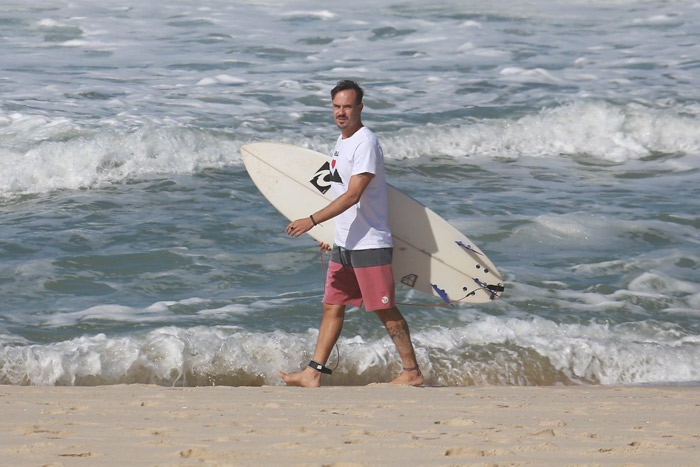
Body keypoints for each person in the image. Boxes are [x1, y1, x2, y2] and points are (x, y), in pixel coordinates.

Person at [278, 80, 424, 388]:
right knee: (332, 305)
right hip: (345, 241)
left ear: (360, 108)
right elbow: (339, 194)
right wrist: (332, 232)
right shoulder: (341, 142)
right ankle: (313, 372)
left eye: (347, 106)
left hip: (369, 241)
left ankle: (411, 372)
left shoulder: (365, 143)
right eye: (336, 107)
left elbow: (354, 195)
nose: (341, 112)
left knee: (383, 306)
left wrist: (312, 220)